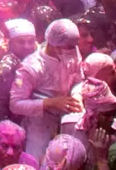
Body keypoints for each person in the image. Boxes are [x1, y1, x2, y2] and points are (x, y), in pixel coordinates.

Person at [10, 19, 83, 159]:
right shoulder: (30, 67)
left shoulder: (73, 51)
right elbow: (15, 104)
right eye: (68, 47)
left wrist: (77, 95)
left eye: (74, 46)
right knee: (36, 162)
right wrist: (51, 102)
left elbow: (79, 79)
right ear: (53, 44)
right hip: (39, 125)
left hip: (67, 119)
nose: (72, 50)